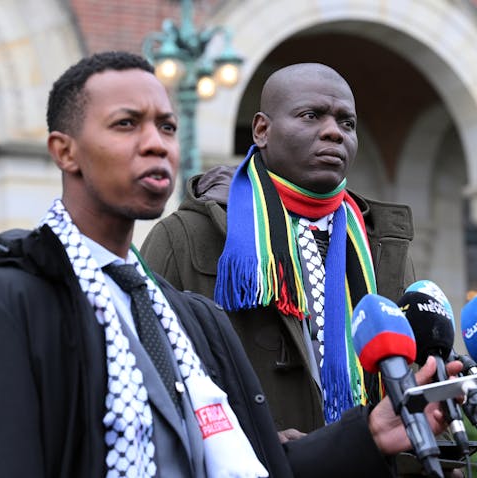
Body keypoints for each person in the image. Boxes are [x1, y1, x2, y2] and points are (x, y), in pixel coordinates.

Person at [0, 51, 459, 478]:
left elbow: (241, 461)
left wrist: (370, 434)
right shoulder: (2, 297)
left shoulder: (186, 315)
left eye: (167, 126)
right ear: (64, 151)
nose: (156, 143)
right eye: (127, 124)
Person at [140, 63, 415, 438]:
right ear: (262, 130)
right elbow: (149, 381)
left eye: (347, 123)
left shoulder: (382, 248)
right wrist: (261, 442)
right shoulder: (185, 236)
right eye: (311, 115)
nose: (334, 132)